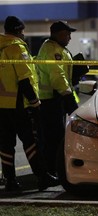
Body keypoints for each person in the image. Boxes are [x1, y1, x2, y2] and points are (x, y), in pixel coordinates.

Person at [0, 16, 59, 191]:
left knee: (5, 144)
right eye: (22, 31)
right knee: (31, 141)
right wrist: (35, 102)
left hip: (1, 106)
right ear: (18, 31)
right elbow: (24, 79)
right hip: (19, 104)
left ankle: (10, 181)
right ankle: (42, 177)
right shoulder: (16, 48)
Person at [36, 20, 79, 175]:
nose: (69, 37)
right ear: (57, 34)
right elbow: (57, 76)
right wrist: (68, 96)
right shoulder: (52, 49)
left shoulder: (59, 48)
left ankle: (53, 167)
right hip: (51, 99)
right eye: (67, 34)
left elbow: (62, 74)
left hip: (56, 97)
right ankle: (52, 168)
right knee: (53, 136)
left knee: (55, 135)